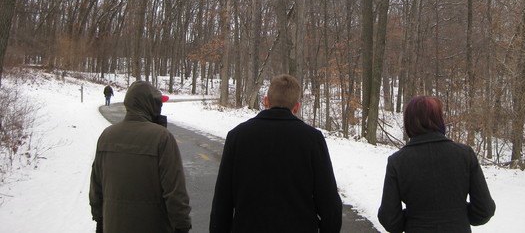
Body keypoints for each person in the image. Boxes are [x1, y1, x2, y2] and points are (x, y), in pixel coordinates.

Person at [209, 74, 342, 233]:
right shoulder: (312, 139)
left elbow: (222, 201)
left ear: (266, 102)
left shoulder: (237, 136)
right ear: (296, 107)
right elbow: (330, 204)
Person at [378, 95, 495, 233]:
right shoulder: (464, 155)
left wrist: (414, 220)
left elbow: (389, 218)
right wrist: (457, 216)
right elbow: (484, 210)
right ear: (439, 119)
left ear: (409, 122)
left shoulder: (398, 161)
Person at [89, 81, 192, 233]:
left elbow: (96, 187)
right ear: (151, 106)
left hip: (113, 225)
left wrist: (99, 220)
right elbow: (175, 191)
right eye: (158, 104)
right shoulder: (162, 138)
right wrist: (182, 226)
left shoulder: (107, 136)